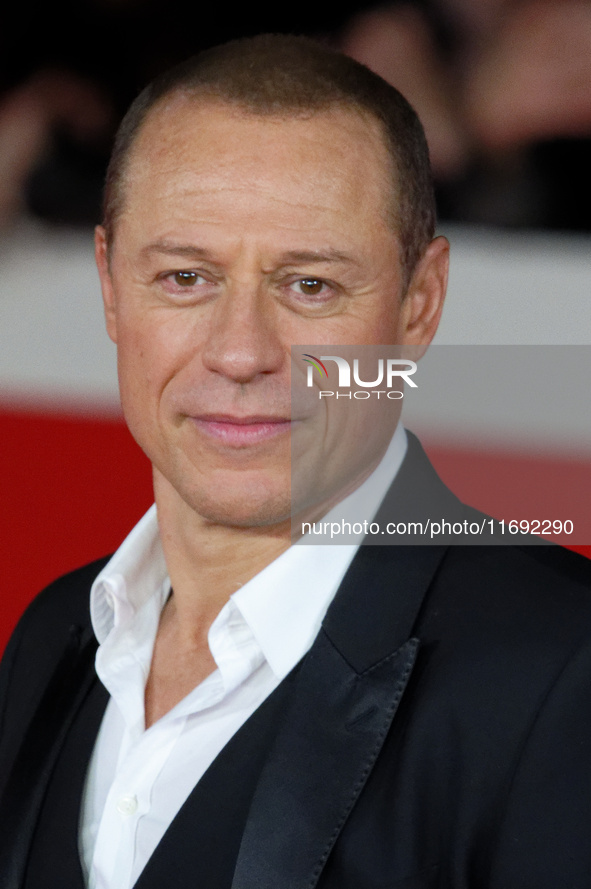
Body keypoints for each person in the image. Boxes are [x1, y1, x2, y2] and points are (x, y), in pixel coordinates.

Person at [1, 34, 591, 889]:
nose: (240, 353)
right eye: (184, 277)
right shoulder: (55, 635)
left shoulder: (566, 672)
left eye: (309, 285)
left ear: (418, 305)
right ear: (109, 286)